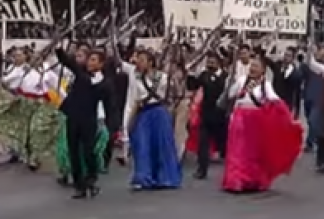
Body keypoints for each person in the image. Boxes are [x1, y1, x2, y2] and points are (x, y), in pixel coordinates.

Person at [222, 56, 303, 194]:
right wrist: (231, 82)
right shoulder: (242, 80)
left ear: (263, 70)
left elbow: (275, 100)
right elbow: (231, 94)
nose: (253, 69)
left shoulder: (266, 85)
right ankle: (236, 181)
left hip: (255, 122)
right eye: (252, 66)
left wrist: (288, 118)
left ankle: (253, 180)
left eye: (256, 66)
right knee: (237, 151)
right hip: (239, 119)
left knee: (253, 153)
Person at [55, 46, 110, 198]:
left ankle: (91, 179)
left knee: (89, 151)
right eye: (89, 59)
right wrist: (59, 49)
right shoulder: (81, 74)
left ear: (101, 64)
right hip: (73, 117)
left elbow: (110, 104)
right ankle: (79, 184)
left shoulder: (105, 82)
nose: (90, 63)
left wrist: (111, 124)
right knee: (73, 151)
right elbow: (68, 61)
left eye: (94, 60)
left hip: (89, 120)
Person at [125, 49, 181, 190]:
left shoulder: (163, 77)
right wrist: (130, 120)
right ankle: (143, 177)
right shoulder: (136, 79)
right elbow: (135, 100)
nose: (139, 62)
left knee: (162, 146)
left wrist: (174, 79)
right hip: (144, 113)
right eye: (138, 59)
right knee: (142, 145)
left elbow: (175, 94)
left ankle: (165, 177)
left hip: (160, 113)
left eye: (142, 60)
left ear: (150, 62)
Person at [186, 51, 228, 180]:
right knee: (203, 142)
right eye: (209, 62)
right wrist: (191, 73)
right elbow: (193, 85)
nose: (210, 64)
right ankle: (202, 169)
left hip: (221, 115)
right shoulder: (204, 75)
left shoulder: (226, 77)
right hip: (206, 114)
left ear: (219, 63)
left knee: (225, 143)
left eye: (213, 62)